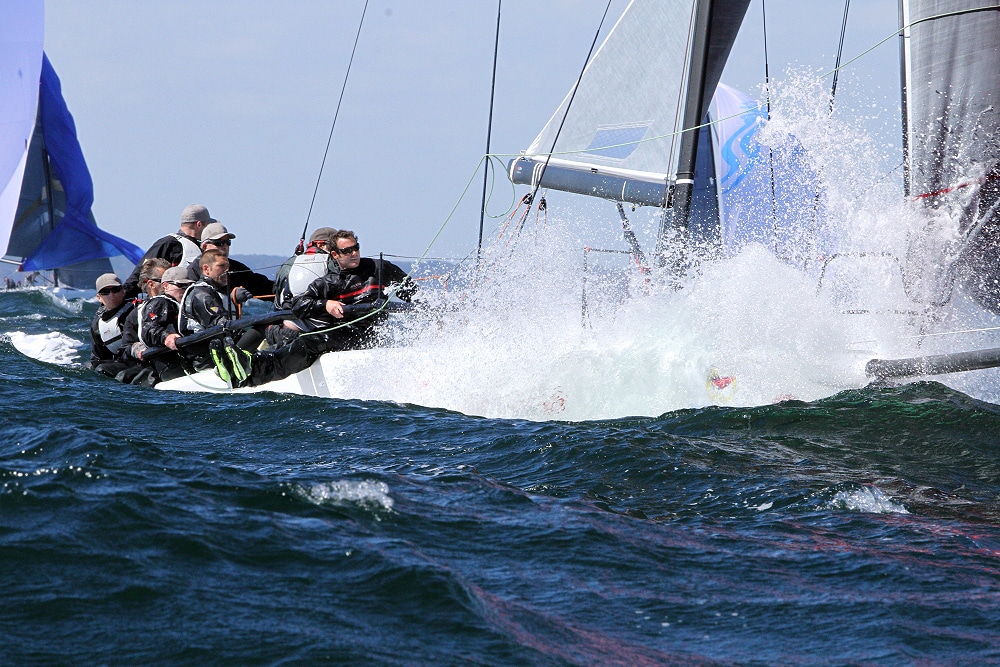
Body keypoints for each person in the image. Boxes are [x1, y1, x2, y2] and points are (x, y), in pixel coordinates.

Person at [291, 229, 416, 351]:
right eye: (347, 251)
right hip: (344, 335)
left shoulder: (379, 267)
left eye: (356, 248)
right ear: (335, 255)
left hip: (377, 335)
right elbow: (298, 305)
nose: (354, 253)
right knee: (305, 343)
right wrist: (326, 304)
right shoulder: (329, 282)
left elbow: (414, 293)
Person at [122, 203, 216, 299]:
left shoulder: (201, 247)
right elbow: (139, 275)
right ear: (199, 224)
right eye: (207, 225)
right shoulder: (168, 243)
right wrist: (122, 298)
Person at [118, 258, 170, 384]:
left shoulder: (182, 303)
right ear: (151, 284)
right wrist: (137, 349)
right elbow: (125, 349)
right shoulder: (135, 315)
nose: (170, 285)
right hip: (155, 367)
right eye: (165, 281)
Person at [188, 222, 273, 298]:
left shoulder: (236, 267)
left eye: (228, 242)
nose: (225, 246)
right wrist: (231, 297)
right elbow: (195, 299)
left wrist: (280, 287)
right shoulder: (193, 270)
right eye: (219, 243)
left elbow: (261, 286)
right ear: (205, 246)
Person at [139, 266, 193, 381]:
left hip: (185, 360)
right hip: (168, 364)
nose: (185, 290)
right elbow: (148, 328)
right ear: (165, 286)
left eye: (189, 286)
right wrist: (166, 337)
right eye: (181, 285)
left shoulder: (184, 305)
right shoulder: (161, 302)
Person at [87, 273, 136, 378]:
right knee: (98, 368)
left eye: (115, 290)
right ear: (99, 297)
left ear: (123, 291)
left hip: (143, 359)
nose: (111, 295)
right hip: (123, 364)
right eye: (105, 292)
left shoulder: (136, 310)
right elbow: (98, 358)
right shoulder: (97, 325)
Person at [178, 249, 233, 336]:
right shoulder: (201, 293)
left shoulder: (216, 291)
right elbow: (218, 323)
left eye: (228, 267)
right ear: (206, 269)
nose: (227, 270)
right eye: (221, 266)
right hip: (202, 343)